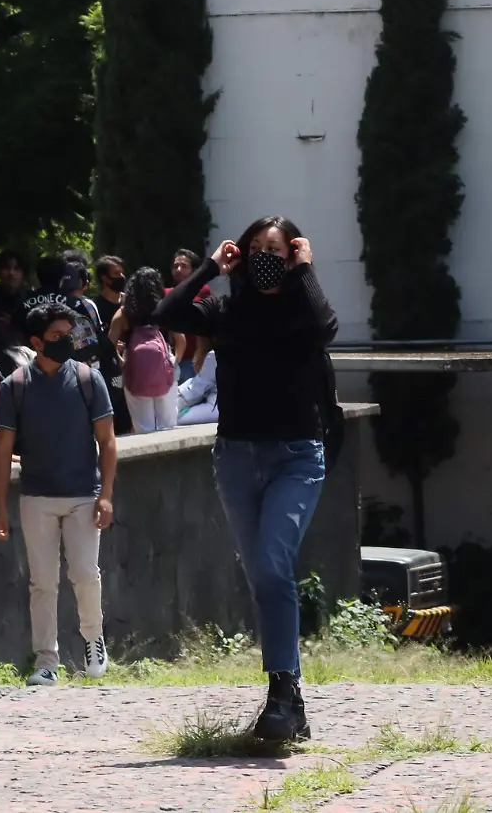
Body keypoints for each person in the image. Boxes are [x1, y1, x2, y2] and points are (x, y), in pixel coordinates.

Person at [156, 217, 339, 742]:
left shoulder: (302, 309)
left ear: (292, 255)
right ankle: (292, 700)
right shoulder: (226, 311)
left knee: (271, 563)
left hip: (296, 456)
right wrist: (212, 266)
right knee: (263, 576)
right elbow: (167, 312)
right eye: (255, 248)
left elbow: (325, 325)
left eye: (275, 250)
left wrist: (305, 269)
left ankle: (282, 691)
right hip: (236, 457)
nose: (264, 256)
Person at [0, 302, 118, 685]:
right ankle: (46, 660)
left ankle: (94, 639)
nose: (66, 342)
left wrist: (106, 494)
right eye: (56, 337)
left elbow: (108, 441)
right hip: (36, 497)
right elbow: (1, 450)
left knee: (84, 573)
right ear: (36, 341)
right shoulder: (15, 387)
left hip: (83, 493)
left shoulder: (87, 379)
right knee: (42, 582)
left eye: (69, 335)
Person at [112, 267, 179, 433]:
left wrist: (122, 361)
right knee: (168, 424)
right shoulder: (165, 309)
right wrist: (173, 361)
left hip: (134, 367)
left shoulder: (123, 313)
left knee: (142, 425)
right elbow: (181, 340)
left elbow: (109, 343)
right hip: (164, 364)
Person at [171, 249, 205, 384]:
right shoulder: (166, 294)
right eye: (175, 266)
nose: (178, 270)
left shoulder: (204, 293)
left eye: (184, 266)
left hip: (195, 361)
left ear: (194, 270)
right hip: (172, 361)